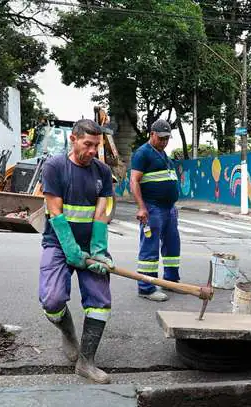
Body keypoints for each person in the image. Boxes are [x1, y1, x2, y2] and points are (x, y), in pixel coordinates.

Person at [39, 119, 115, 384]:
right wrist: (72, 251)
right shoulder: (55, 167)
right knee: (52, 301)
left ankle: (87, 362)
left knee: (100, 302)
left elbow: (101, 214)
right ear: (73, 140)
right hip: (58, 244)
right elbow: (56, 213)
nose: (93, 150)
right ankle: (69, 333)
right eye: (88, 144)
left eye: (97, 145)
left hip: (89, 245)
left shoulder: (103, 172)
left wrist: (99, 251)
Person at [129, 119, 181, 302]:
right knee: (149, 247)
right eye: (161, 138)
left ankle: (171, 281)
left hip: (169, 209)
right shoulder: (142, 154)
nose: (164, 142)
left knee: (173, 245)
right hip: (152, 208)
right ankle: (146, 287)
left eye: (167, 139)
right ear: (152, 134)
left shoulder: (163, 155)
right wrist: (142, 207)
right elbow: (134, 181)